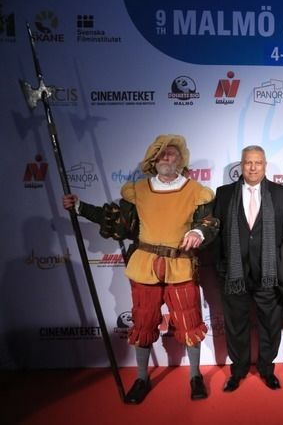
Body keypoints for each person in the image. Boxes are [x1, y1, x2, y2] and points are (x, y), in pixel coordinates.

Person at [62, 134, 219, 404]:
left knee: (189, 321)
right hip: (145, 266)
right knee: (143, 322)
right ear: (153, 160)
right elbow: (117, 222)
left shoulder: (196, 191)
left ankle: (195, 376)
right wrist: (80, 207)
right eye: (161, 154)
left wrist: (198, 232)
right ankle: (142, 378)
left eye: (172, 153)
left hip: (180, 266)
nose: (166, 158)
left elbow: (208, 222)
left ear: (181, 159)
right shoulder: (139, 191)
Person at [213, 145, 283, 392]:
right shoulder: (224, 194)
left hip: (269, 275)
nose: (252, 167)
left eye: (257, 162)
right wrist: (221, 267)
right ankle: (238, 370)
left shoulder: (280, 194)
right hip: (234, 274)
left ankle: (267, 369)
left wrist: (280, 267)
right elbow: (216, 234)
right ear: (241, 165)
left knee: (270, 325)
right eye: (248, 162)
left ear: (265, 165)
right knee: (236, 325)